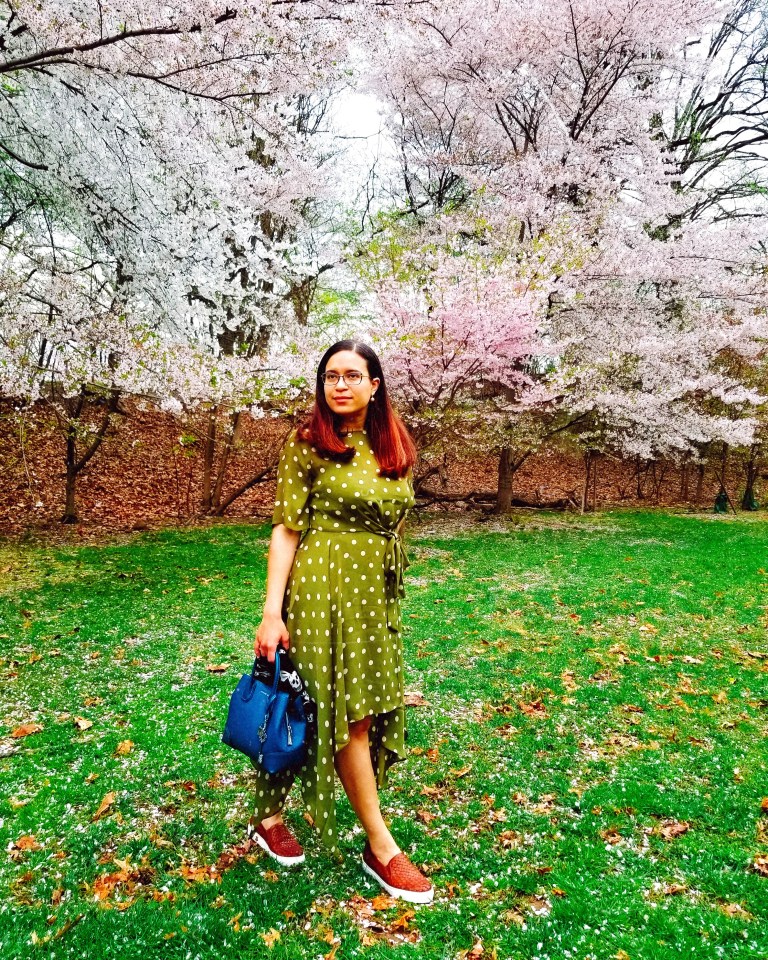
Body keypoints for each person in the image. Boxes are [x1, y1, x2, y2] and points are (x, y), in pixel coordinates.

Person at [248, 340, 434, 904]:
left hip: (372, 596)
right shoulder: (306, 443)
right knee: (331, 709)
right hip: (320, 588)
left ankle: (267, 814)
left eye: (353, 375)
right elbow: (286, 528)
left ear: (375, 385)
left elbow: (393, 520)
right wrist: (272, 612)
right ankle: (381, 846)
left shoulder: (394, 444)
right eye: (331, 376)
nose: (340, 385)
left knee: (346, 708)